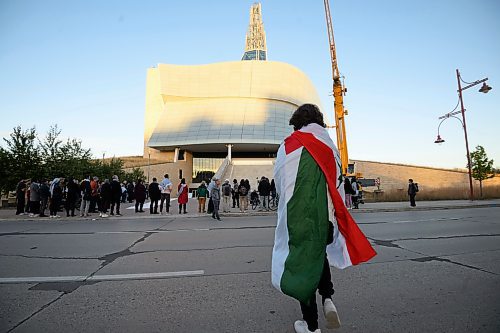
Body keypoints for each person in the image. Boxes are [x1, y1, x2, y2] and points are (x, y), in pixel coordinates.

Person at [271, 104, 376, 333]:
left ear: (297, 122)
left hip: (300, 219)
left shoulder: (290, 144)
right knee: (320, 255)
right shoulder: (330, 146)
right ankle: (327, 297)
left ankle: (311, 326)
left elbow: (281, 182)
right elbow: (338, 183)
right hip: (326, 219)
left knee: (302, 265)